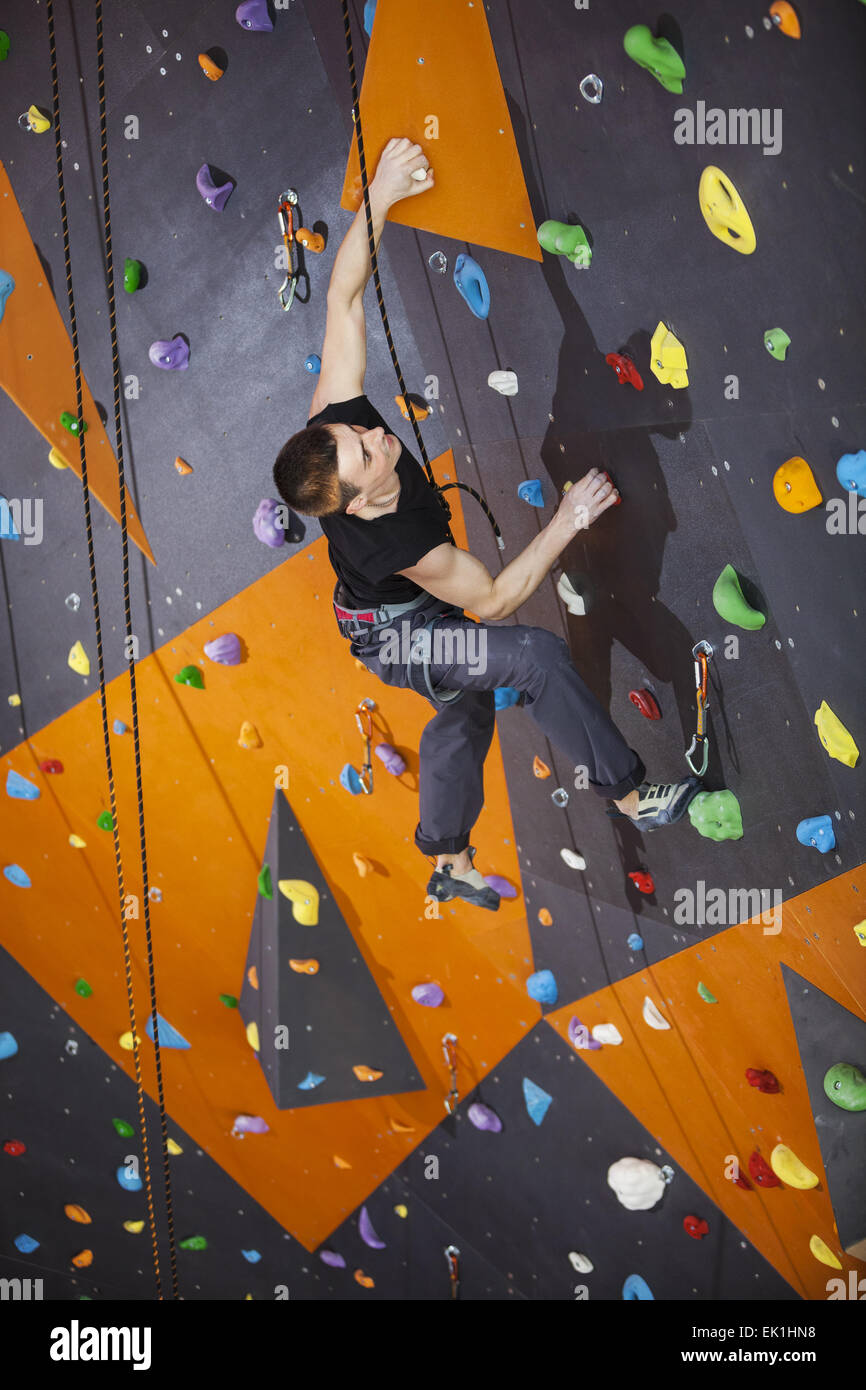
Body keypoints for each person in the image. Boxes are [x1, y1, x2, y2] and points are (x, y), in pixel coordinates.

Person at [273, 137, 702, 912]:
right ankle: (628, 794)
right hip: (395, 632)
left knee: (466, 707)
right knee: (529, 658)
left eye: (359, 434)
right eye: (367, 453)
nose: (376, 435)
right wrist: (569, 517)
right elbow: (496, 599)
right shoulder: (392, 536)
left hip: (389, 598)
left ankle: (446, 855)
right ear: (356, 501)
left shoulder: (333, 428)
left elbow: (341, 298)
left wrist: (382, 194)